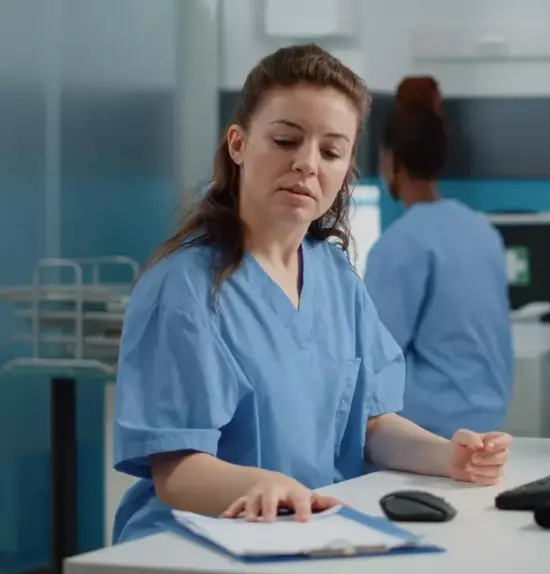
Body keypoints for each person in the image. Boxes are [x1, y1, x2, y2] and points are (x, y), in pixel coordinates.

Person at [110, 44, 512, 545]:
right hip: (191, 544)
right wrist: (262, 485)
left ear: (346, 169)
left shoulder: (336, 276)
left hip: (307, 531)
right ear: (237, 143)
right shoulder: (183, 287)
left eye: (331, 151)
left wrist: (449, 456)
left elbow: (372, 424)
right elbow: (176, 471)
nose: (306, 164)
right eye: (285, 140)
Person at [363, 103, 513, 440]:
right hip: (490, 417)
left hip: (430, 426)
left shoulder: (400, 244)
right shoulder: (483, 230)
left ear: (390, 160)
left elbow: (374, 355)